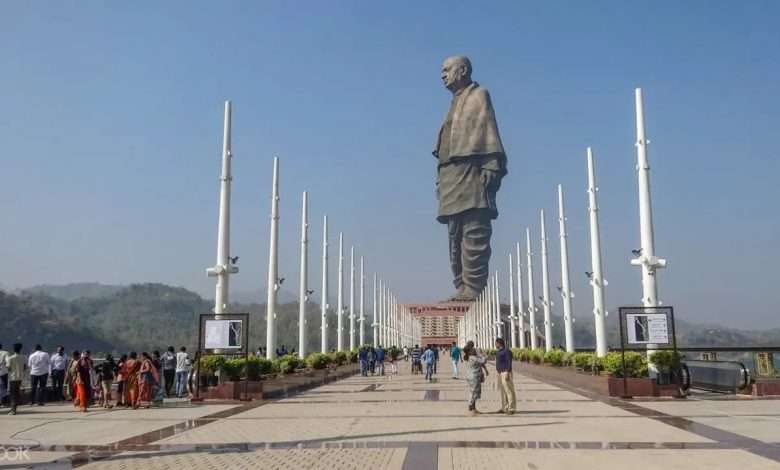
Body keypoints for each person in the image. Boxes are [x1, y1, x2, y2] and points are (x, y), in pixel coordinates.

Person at [433, 56, 508, 301]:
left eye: (447, 70)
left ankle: (473, 288)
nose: (442, 75)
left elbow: (488, 130)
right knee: (454, 234)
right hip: (450, 175)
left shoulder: (479, 95)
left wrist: (491, 163)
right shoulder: (454, 102)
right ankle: (461, 286)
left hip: (472, 172)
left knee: (474, 231)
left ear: (462, 70)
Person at [463, 341, 488, 415]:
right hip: (474, 377)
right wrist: (483, 354)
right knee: (474, 393)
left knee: (472, 392)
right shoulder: (473, 358)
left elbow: (480, 364)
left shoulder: (468, 357)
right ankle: (471, 407)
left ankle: (473, 408)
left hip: (470, 376)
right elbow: (483, 361)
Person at [495, 338, 516, 415]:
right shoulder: (498, 352)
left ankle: (511, 408)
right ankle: (504, 407)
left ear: (499, 343)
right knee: (503, 392)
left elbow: (509, 362)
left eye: (496, 343)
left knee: (509, 391)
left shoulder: (506, 351)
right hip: (500, 373)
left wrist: (507, 372)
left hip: (505, 373)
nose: (495, 345)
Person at [6, 343, 25, 415]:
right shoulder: (24, 357)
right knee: (17, 394)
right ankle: (15, 408)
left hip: (13, 378)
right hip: (20, 377)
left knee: (13, 394)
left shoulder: (10, 358)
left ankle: (13, 410)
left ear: (13, 349)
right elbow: (25, 367)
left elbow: (8, 368)